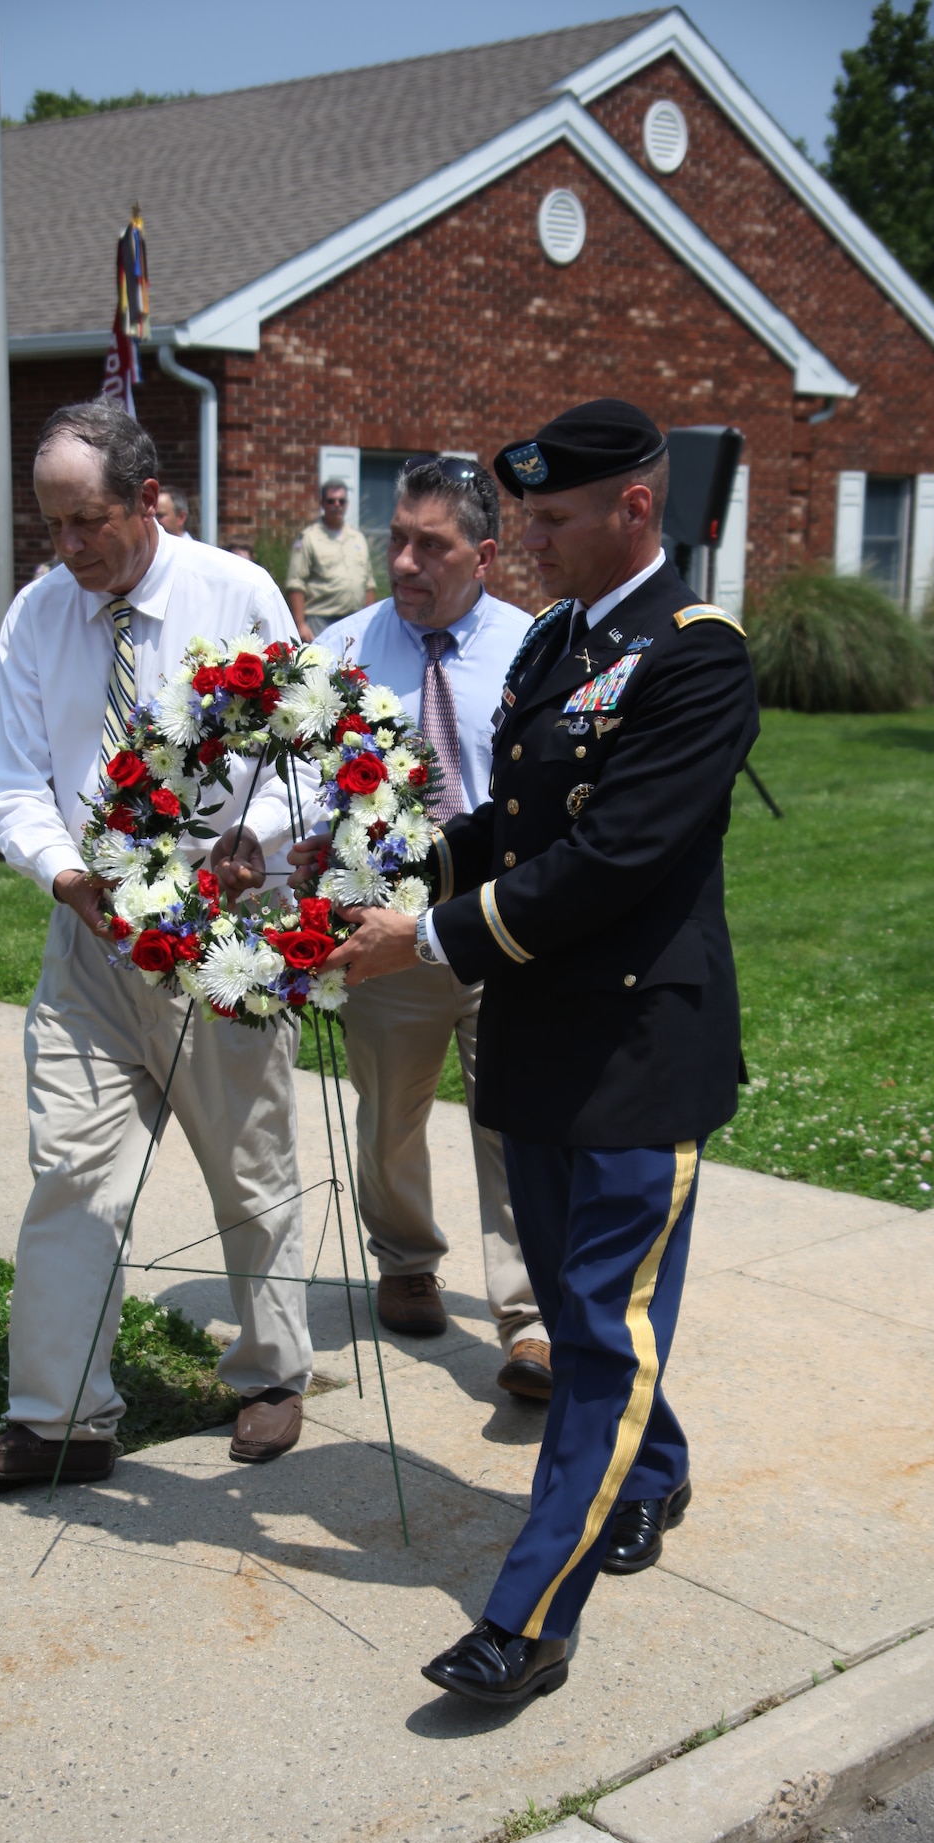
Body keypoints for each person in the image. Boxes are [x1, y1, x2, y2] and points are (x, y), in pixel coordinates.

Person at [315, 399, 759, 1704]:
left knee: (597, 1342)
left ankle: (527, 1618)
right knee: (580, 1310)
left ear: (636, 507)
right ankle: (654, 1472)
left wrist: (430, 939)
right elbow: (509, 825)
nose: (534, 543)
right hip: (537, 1047)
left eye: (554, 519)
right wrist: (384, 872)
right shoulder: (556, 643)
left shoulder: (695, 658)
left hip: (633, 1053)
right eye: (527, 518)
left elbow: (611, 859)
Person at [0, 400, 315, 1489]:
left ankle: (271, 1374)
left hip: (216, 937)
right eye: (51, 524)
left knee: (251, 1162)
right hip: (90, 947)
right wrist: (67, 876)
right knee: (71, 1170)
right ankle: (61, 1419)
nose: (67, 547)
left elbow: (296, 756)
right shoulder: (40, 617)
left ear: (149, 499)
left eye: (88, 520)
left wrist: (257, 844)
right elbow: (11, 782)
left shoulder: (234, 593)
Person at [293, 455, 549, 1396]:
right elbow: (309, 784)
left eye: (428, 545)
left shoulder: (535, 648)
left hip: (500, 927)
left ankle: (529, 1323)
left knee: (514, 1122)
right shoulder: (345, 647)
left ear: (481, 555)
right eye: (394, 538)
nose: (402, 561)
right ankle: (405, 1261)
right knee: (389, 1115)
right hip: (382, 930)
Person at [285, 480, 375, 641]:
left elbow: (368, 583)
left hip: (354, 620)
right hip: (320, 621)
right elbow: (296, 583)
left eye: (341, 501)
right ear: (322, 504)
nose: (337, 505)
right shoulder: (309, 538)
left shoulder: (358, 538)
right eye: (331, 501)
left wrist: (370, 621)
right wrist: (300, 624)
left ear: (346, 504)